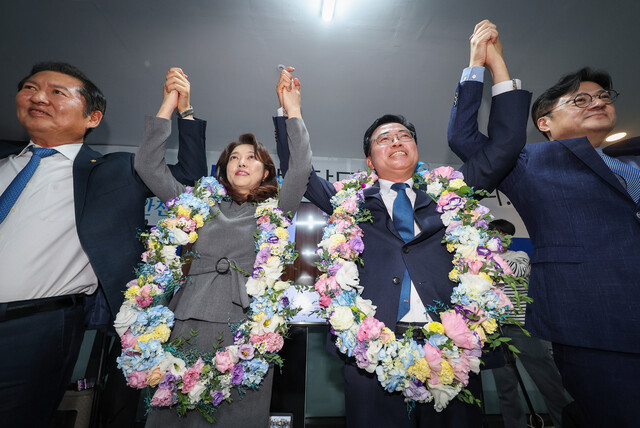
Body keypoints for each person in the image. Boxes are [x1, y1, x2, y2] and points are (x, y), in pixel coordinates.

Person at [274, 64, 530, 427]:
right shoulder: (350, 203)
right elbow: (297, 170)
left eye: (404, 135)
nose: (396, 141)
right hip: (373, 346)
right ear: (369, 161)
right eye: (384, 138)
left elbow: (504, 147)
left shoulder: (451, 192)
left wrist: (483, 66)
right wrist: (291, 112)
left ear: (415, 148)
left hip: (450, 344)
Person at [448, 19, 640, 428]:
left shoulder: (631, 161)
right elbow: (465, 138)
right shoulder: (527, 163)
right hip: (597, 323)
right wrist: (489, 65)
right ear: (545, 123)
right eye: (580, 100)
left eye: (603, 97)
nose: (598, 103)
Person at [0, 63, 206, 427]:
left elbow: (188, 178)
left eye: (58, 92)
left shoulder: (116, 170)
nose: (39, 97)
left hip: (37, 325)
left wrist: (183, 111)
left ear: (92, 116)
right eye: (30, 88)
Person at [138, 72, 311, 427]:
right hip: (186, 318)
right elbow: (147, 166)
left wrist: (293, 111)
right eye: (234, 158)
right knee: (175, 413)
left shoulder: (276, 209)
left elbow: (302, 169)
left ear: (265, 172)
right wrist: (171, 104)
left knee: (236, 415)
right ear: (224, 168)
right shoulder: (197, 202)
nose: (242, 162)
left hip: (245, 328)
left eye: (251, 157)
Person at [489, 219, 570, 428]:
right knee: (505, 389)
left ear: (510, 238)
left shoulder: (520, 256)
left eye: (502, 234)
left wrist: (487, 255)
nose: (497, 237)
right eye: (493, 233)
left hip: (521, 328)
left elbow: (514, 271)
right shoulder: (480, 262)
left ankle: (566, 423)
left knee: (549, 383)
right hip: (496, 332)